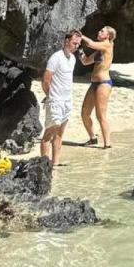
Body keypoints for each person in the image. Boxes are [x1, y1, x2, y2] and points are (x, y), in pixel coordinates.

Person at [39, 30, 82, 168]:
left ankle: (56, 163)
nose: (76, 46)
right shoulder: (56, 57)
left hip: (67, 101)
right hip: (55, 100)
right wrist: (50, 96)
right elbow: (46, 80)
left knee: (59, 134)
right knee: (50, 132)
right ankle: (44, 165)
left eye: (78, 44)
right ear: (66, 41)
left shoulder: (73, 59)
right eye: (74, 43)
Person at [79, 25, 116, 149]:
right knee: (85, 113)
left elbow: (90, 43)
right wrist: (79, 48)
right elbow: (85, 61)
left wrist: (80, 36)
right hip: (94, 84)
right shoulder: (99, 50)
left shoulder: (108, 45)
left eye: (102, 31)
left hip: (104, 84)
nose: (99, 32)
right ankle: (92, 138)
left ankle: (107, 144)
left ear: (108, 36)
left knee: (100, 115)